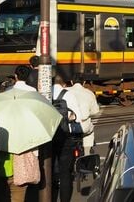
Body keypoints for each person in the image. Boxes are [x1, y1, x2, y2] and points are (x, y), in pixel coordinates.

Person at [52, 74, 83, 202]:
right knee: (65, 173)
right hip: (65, 137)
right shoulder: (68, 94)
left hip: (48, 138)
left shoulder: (44, 93)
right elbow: (78, 117)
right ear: (63, 84)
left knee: (49, 171)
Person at [67, 75, 100, 155]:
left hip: (69, 127)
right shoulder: (89, 93)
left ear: (71, 82)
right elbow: (95, 111)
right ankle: (87, 153)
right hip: (84, 127)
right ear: (84, 82)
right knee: (89, 132)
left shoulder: (66, 91)